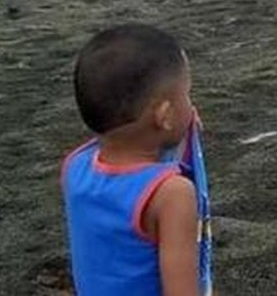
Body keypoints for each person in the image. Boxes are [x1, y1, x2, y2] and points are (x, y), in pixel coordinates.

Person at [62, 24, 201, 296]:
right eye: (187, 94)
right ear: (164, 116)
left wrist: (184, 133)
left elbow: (136, 165)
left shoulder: (74, 165)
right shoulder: (173, 195)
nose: (191, 103)